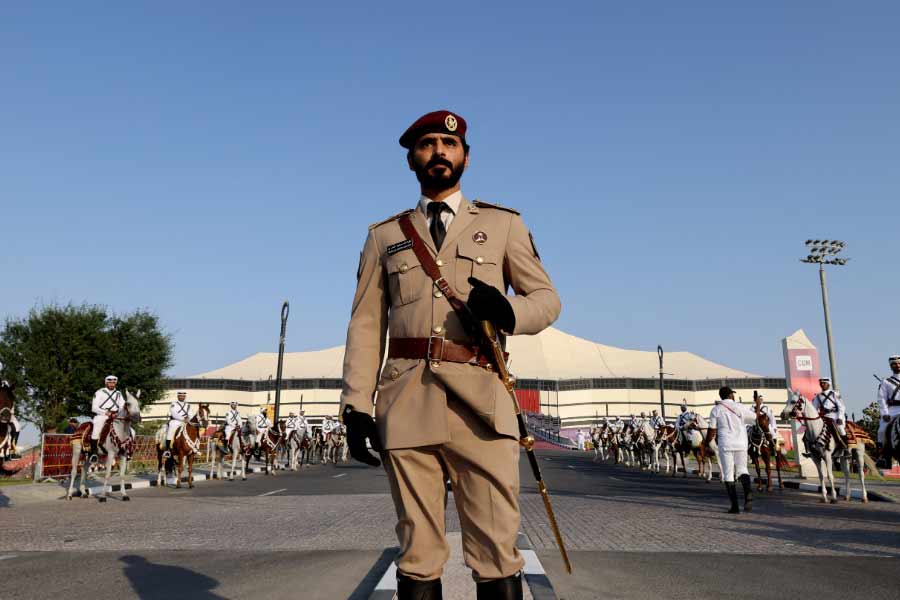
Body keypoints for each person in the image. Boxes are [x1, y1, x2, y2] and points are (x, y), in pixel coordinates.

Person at [340, 109, 560, 599]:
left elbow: (547, 300)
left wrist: (506, 310)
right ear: (411, 160)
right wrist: (355, 406)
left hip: (481, 403)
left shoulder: (504, 225)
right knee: (417, 553)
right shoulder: (385, 236)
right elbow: (365, 324)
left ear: (465, 155)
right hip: (406, 401)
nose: (439, 151)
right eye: (428, 144)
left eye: (449, 144)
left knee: (496, 549)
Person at [706, 386, 758, 514]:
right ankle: (748, 494)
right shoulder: (740, 407)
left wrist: (707, 443)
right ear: (730, 395)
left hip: (726, 444)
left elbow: (712, 430)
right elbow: (755, 418)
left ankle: (735, 507)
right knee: (742, 469)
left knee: (728, 473)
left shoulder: (716, 409)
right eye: (732, 394)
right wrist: (757, 405)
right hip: (741, 443)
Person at [90, 376, 125, 461]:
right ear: (106, 383)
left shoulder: (118, 393)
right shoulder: (99, 392)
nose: (111, 384)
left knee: (127, 428)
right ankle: (94, 453)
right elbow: (94, 408)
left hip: (116, 416)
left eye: (113, 382)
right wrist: (106, 413)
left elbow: (122, 405)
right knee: (96, 430)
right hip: (102, 415)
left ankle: (124, 450)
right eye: (110, 382)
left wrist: (118, 413)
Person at [812, 377, 848, 450]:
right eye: (821, 383)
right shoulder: (818, 396)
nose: (822, 384)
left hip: (835, 415)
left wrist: (840, 417)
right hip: (824, 416)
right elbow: (814, 409)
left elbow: (842, 407)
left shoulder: (835, 394)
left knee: (840, 427)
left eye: (824, 383)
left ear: (828, 384)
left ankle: (845, 448)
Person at [877, 355, 900, 452]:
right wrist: (885, 413)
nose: (897, 365)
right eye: (894, 364)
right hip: (892, 410)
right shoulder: (885, 382)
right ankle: (883, 455)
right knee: (881, 430)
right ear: (891, 366)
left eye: (899, 363)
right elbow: (881, 399)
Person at [163, 391, 191, 458]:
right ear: (178, 396)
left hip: (185, 421)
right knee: (170, 430)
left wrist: (188, 418)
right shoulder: (174, 404)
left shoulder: (188, 405)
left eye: (183, 396)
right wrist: (183, 419)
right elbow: (174, 413)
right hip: (176, 421)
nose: (182, 397)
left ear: (185, 397)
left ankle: (194, 447)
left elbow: (190, 413)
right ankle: (167, 450)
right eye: (180, 396)